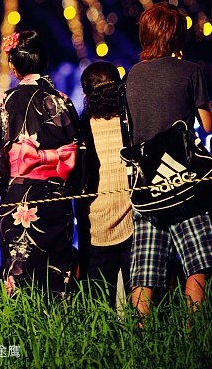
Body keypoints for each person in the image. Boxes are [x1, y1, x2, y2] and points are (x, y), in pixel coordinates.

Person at [125, 2, 212, 316]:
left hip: (145, 183)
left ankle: (139, 334)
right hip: (183, 181)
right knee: (197, 263)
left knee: (145, 269)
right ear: (177, 36)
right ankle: (192, 333)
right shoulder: (191, 71)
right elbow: (207, 125)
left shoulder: (132, 76)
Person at [0, 30, 81, 297]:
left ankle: (21, 321)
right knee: (56, 274)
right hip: (56, 198)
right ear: (43, 61)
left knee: (20, 274)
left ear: (13, 66)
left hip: (19, 197)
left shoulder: (4, 102)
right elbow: (78, 149)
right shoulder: (62, 101)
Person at [77, 62, 133, 307]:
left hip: (96, 223)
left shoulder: (82, 128)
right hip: (133, 218)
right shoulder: (131, 122)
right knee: (140, 303)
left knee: (98, 305)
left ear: (86, 92)